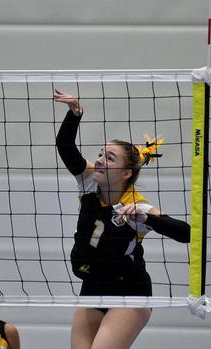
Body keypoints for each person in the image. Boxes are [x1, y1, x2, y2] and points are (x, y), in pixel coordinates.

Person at [54, 89, 190, 349]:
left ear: (126, 173)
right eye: (102, 154)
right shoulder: (89, 183)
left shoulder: (136, 205)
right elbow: (66, 148)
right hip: (93, 286)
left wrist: (148, 219)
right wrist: (75, 114)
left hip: (130, 291)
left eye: (110, 157)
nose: (100, 160)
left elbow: (186, 233)